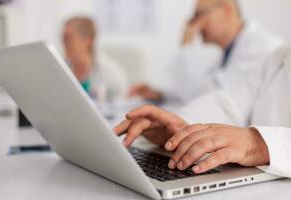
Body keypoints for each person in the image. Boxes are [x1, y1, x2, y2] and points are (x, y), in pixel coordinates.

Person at [115, 46, 291, 178]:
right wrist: (184, 126)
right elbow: (229, 102)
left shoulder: (261, 44)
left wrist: (262, 144)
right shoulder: (280, 56)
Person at [129, 0, 283, 104]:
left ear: (227, 10)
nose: (193, 24)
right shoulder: (228, 51)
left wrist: (187, 44)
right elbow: (201, 88)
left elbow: (210, 99)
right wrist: (160, 94)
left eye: (199, 14)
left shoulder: (261, 48)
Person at [63, 17, 128, 103]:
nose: (64, 43)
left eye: (68, 38)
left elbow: (116, 107)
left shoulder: (111, 74)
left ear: (88, 40)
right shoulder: (61, 66)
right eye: (63, 38)